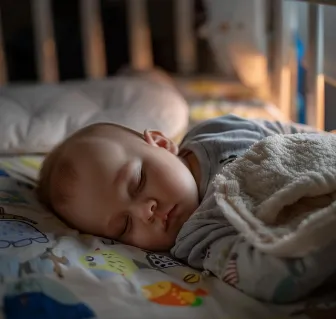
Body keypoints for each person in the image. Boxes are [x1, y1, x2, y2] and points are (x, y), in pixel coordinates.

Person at [38, 114, 332, 303]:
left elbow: (288, 131)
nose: (145, 212)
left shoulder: (216, 130)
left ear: (163, 144)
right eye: (124, 227)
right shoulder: (199, 238)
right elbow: (266, 275)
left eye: (138, 181)